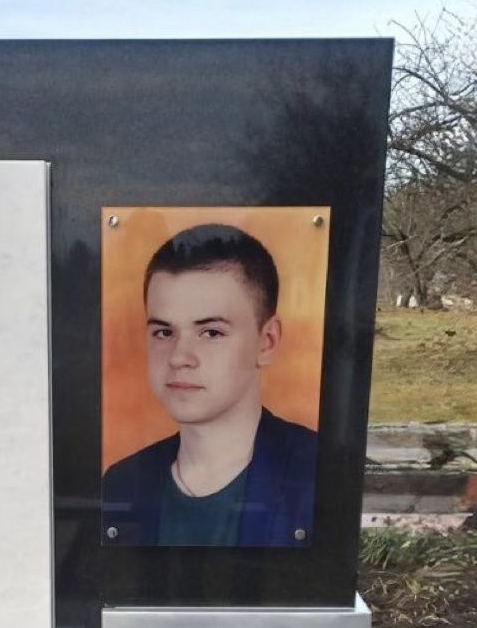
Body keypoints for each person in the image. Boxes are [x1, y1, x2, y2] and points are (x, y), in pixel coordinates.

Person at [102, 223, 317, 548]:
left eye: (211, 333)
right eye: (164, 332)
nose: (179, 357)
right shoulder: (121, 483)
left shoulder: (317, 474)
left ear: (267, 341)